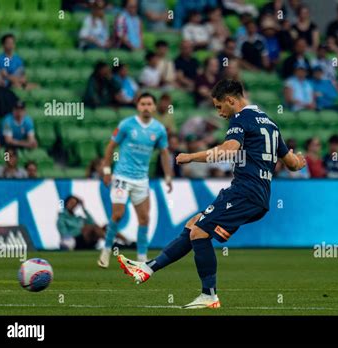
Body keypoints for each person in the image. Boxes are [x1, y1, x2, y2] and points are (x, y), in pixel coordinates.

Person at [116, 79, 306, 309]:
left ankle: (209, 295)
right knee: (194, 224)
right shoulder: (271, 124)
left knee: (199, 233)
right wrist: (298, 161)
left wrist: (190, 156)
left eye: (219, 106)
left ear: (231, 100)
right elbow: (293, 164)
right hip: (257, 195)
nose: (219, 113)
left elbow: (228, 150)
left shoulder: (241, 118)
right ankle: (147, 268)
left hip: (244, 191)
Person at [98, 92, 173, 268]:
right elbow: (111, 147)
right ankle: (106, 250)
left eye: (149, 104)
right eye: (143, 104)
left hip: (141, 179)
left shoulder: (159, 129)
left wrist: (168, 176)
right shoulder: (126, 125)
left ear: (154, 107)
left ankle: (141, 259)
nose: (146, 107)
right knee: (117, 214)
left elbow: (164, 153)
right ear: (137, 106)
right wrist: (107, 170)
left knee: (144, 219)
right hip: (122, 176)